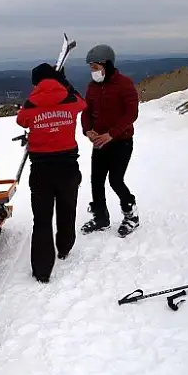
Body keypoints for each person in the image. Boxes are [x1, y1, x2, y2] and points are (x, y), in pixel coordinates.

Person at [16, 63, 87, 283]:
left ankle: (42, 270)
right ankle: (64, 247)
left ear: (35, 83)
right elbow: (83, 103)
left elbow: (21, 120)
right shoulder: (70, 99)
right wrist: (65, 83)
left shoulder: (31, 102)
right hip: (67, 167)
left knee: (42, 219)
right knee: (67, 209)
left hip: (41, 170)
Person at [80, 44, 140, 237]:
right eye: (91, 68)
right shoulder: (92, 87)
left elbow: (131, 113)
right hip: (100, 142)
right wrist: (87, 129)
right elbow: (86, 110)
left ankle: (131, 215)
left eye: (95, 67)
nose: (93, 72)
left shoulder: (124, 84)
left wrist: (111, 134)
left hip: (121, 141)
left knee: (115, 180)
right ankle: (101, 217)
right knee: (96, 181)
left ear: (107, 65)